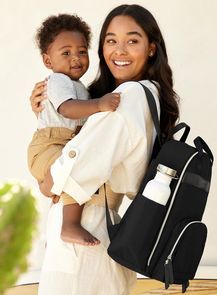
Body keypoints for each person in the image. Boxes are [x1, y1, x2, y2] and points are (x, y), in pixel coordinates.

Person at [30, 4, 179, 295]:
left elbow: (56, 181)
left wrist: (50, 178)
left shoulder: (131, 95)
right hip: (102, 231)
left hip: (88, 235)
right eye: (111, 40)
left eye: (132, 41)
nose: (119, 51)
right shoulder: (140, 96)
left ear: (151, 48)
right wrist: (47, 116)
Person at [27, 14, 120, 246]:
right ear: (48, 61)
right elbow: (67, 109)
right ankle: (69, 226)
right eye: (66, 53)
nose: (76, 58)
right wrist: (99, 105)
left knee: (74, 172)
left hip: (61, 145)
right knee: (74, 170)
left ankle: (53, 194)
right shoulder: (58, 80)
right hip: (48, 145)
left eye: (81, 51)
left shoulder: (81, 89)